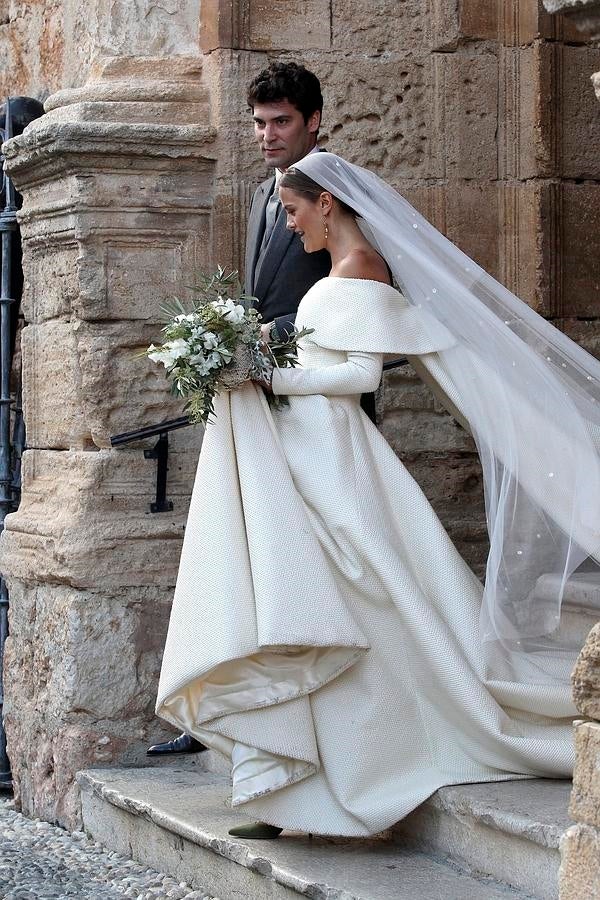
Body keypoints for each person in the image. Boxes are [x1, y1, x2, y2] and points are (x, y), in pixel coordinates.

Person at [155, 151, 600, 839]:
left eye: (297, 211)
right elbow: (320, 358)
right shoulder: (337, 270)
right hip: (309, 449)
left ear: (327, 204)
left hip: (337, 456)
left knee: (354, 612)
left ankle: (333, 780)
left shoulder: (362, 269)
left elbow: (360, 376)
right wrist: (258, 360)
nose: (292, 224)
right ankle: (291, 789)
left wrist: (270, 378)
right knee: (311, 603)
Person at [147, 61, 332, 757]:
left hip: (316, 413)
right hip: (260, 404)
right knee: (246, 557)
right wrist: (227, 348)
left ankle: (293, 720)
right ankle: (227, 712)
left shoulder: (337, 189)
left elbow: (353, 299)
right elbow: (262, 300)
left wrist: (264, 344)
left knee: (303, 571)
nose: (267, 135)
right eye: (258, 123)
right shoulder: (261, 195)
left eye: (281, 121)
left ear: (314, 120)